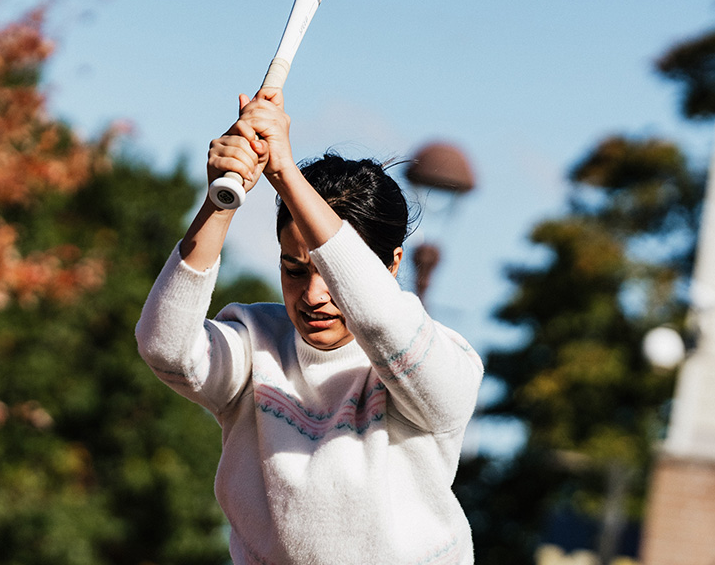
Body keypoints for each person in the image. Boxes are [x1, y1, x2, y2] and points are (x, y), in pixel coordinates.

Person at [136, 88, 483, 564]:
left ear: (392, 264)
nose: (314, 295)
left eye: (333, 273)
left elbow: (382, 319)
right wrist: (221, 199)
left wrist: (284, 173)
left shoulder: (443, 366)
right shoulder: (255, 344)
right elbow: (165, 346)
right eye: (295, 270)